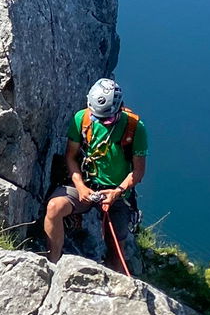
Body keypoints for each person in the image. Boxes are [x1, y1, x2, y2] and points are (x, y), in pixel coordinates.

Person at [42, 78, 147, 266]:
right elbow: (71, 157)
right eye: (96, 117)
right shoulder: (81, 119)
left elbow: (138, 172)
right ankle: (52, 263)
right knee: (54, 208)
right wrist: (81, 187)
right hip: (87, 185)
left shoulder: (134, 128)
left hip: (117, 192)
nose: (102, 122)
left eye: (107, 119)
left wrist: (117, 192)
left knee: (116, 249)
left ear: (120, 108)